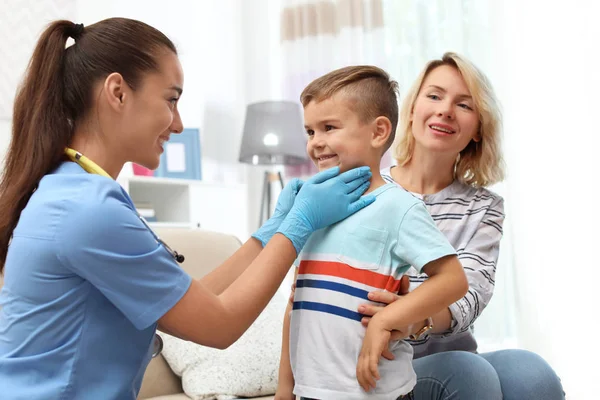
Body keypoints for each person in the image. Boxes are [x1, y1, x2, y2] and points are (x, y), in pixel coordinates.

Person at [0, 18, 377, 400]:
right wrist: (298, 225)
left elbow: (191, 299)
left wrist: (269, 232)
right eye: (171, 99)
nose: (178, 124)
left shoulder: (76, 191)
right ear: (117, 93)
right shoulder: (87, 210)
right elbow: (218, 326)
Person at [358, 52, 565, 399]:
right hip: (382, 359)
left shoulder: (484, 208)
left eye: (464, 105)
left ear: (479, 129)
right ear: (411, 110)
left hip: (448, 353)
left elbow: (468, 295)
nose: (445, 110)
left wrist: (413, 318)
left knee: (533, 375)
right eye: (434, 96)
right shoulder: (368, 190)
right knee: (469, 372)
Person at [275, 65, 469, 400]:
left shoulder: (398, 208)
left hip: (377, 393)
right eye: (310, 132)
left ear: (378, 132)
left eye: (328, 128)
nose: (316, 143)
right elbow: (296, 306)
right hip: (312, 393)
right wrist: (284, 389)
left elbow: (453, 280)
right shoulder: (312, 211)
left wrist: (385, 321)